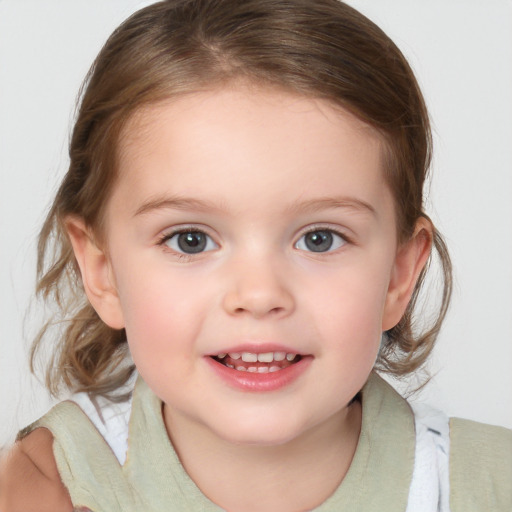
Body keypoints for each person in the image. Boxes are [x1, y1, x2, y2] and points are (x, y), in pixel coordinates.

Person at [0, 0, 510, 510]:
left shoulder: (487, 485)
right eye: (190, 239)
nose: (260, 294)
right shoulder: (46, 486)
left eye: (319, 239)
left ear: (400, 275)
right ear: (102, 270)